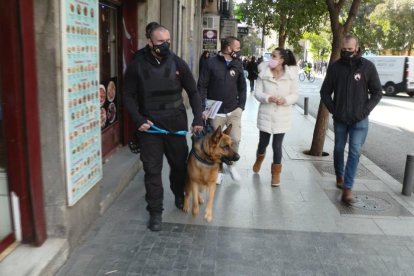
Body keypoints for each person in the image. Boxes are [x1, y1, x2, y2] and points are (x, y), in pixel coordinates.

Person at [124, 25, 203, 231]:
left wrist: (197, 119)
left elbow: (193, 92)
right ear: (149, 42)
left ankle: (178, 194)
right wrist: (138, 118)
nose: (165, 45)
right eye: (160, 42)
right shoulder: (137, 65)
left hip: (175, 123)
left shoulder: (178, 63)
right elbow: (128, 96)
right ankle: (155, 211)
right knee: (152, 170)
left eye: (168, 41)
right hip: (150, 126)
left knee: (178, 166)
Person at [320, 34, 382, 204]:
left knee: (354, 152)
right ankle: (339, 175)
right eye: (345, 49)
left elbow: (377, 92)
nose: (347, 52)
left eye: (350, 49)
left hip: (359, 120)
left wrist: (365, 111)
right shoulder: (335, 68)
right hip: (340, 118)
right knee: (339, 149)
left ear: (357, 48)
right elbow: (324, 92)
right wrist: (335, 110)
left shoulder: (367, 67)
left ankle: (348, 188)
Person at [197, 36, 247, 184]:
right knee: (216, 144)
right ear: (228, 48)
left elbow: (242, 86)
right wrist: (202, 107)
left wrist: (241, 106)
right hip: (215, 111)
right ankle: (217, 170)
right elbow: (202, 86)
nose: (238, 51)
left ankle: (231, 165)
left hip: (233, 110)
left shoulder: (238, 64)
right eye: (237, 48)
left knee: (236, 139)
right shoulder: (210, 63)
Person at [252, 48, 299, 187]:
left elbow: (295, 94)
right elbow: (257, 93)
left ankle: (276, 174)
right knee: (263, 143)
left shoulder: (291, 75)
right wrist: (268, 97)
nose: (270, 58)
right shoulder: (263, 73)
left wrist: (285, 100)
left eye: (274, 56)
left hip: (282, 116)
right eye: (271, 56)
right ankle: (259, 159)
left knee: (277, 146)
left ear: (282, 60)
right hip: (266, 114)